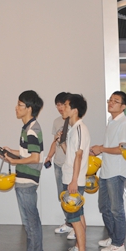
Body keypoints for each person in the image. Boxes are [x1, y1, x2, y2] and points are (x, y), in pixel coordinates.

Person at [4, 90, 45, 251]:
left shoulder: (32, 130)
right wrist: (11, 152)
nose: (16, 108)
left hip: (27, 182)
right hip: (24, 180)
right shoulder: (28, 128)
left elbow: (35, 158)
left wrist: (14, 161)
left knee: (31, 222)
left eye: (20, 105)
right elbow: (27, 153)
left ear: (29, 108)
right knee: (29, 222)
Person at [90, 91, 126, 251]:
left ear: (123, 106)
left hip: (116, 171)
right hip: (106, 170)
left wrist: (101, 149)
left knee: (116, 209)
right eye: (110, 100)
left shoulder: (124, 124)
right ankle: (113, 236)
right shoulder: (111, 121)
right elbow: (111, 146)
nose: (111, 103)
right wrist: (99, 149)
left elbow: (123, 149)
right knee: (104, 207)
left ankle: (118, 243)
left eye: (116, 101)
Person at [59, 94, 91, 251]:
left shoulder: (79, 128)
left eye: (66, 105)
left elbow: (79, 156)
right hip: (71, 178)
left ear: (75, 110)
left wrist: (73, 181)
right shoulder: (73, 129)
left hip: (74, 181)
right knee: (79, 217)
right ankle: (79, 249)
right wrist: (62, 143)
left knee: (74, 219)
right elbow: (71, 156)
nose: (62, 108)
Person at [44, 92, 73, 236]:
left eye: (63, 104)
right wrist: (49, 156)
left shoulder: (74, 122)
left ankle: (75, 226)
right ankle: (69, 223)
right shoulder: (56, 122)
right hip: (58, 164)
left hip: (70, 165)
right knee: (62, 196)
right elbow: (55, 142)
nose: (60, 108)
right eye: (58, 105)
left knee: (72, 197)